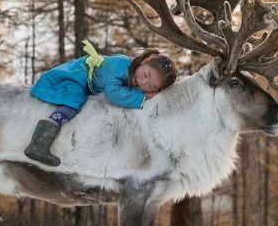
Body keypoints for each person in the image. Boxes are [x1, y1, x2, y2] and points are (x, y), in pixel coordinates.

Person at [24, 40, 178, 166]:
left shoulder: (133, 73)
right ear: (145, 61)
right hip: (78, 75)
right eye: (146, 74)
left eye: (150, 86)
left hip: (85, 81)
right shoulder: (122, 64)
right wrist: (144, 97)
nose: (143, 82)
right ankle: (38, 143)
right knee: (74, 102)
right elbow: (113, 94)